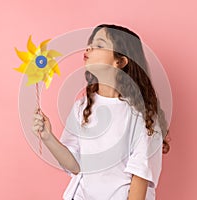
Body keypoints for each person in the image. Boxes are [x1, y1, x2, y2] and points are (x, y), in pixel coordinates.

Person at [32, 24, 170, 200]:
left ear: (120, 61)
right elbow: (75, 166)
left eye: (99, 45)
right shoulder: (82, 107)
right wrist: (47, 136)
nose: (89, 48)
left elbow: (140, 175)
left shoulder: (143, 115)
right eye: (90, 44)